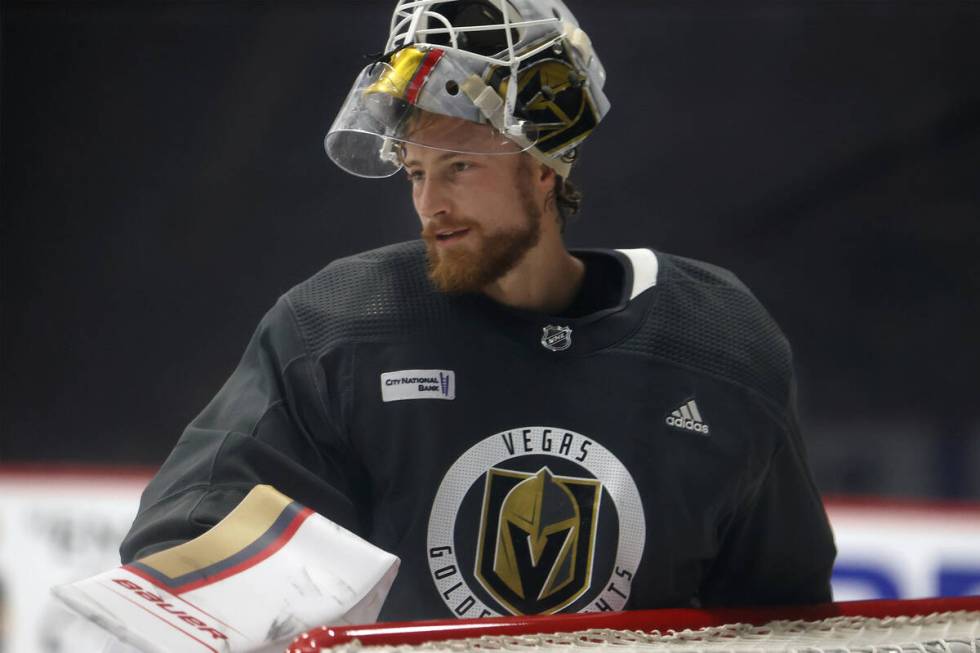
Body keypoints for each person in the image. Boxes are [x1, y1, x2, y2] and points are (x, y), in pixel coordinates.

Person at [120, 0, 836, 622]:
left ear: (546, 162)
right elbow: (196, 527)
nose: (431, 204)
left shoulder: (719, 343)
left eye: (459, 166)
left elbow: (782, 611)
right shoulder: (339, 326)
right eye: (416, 173)